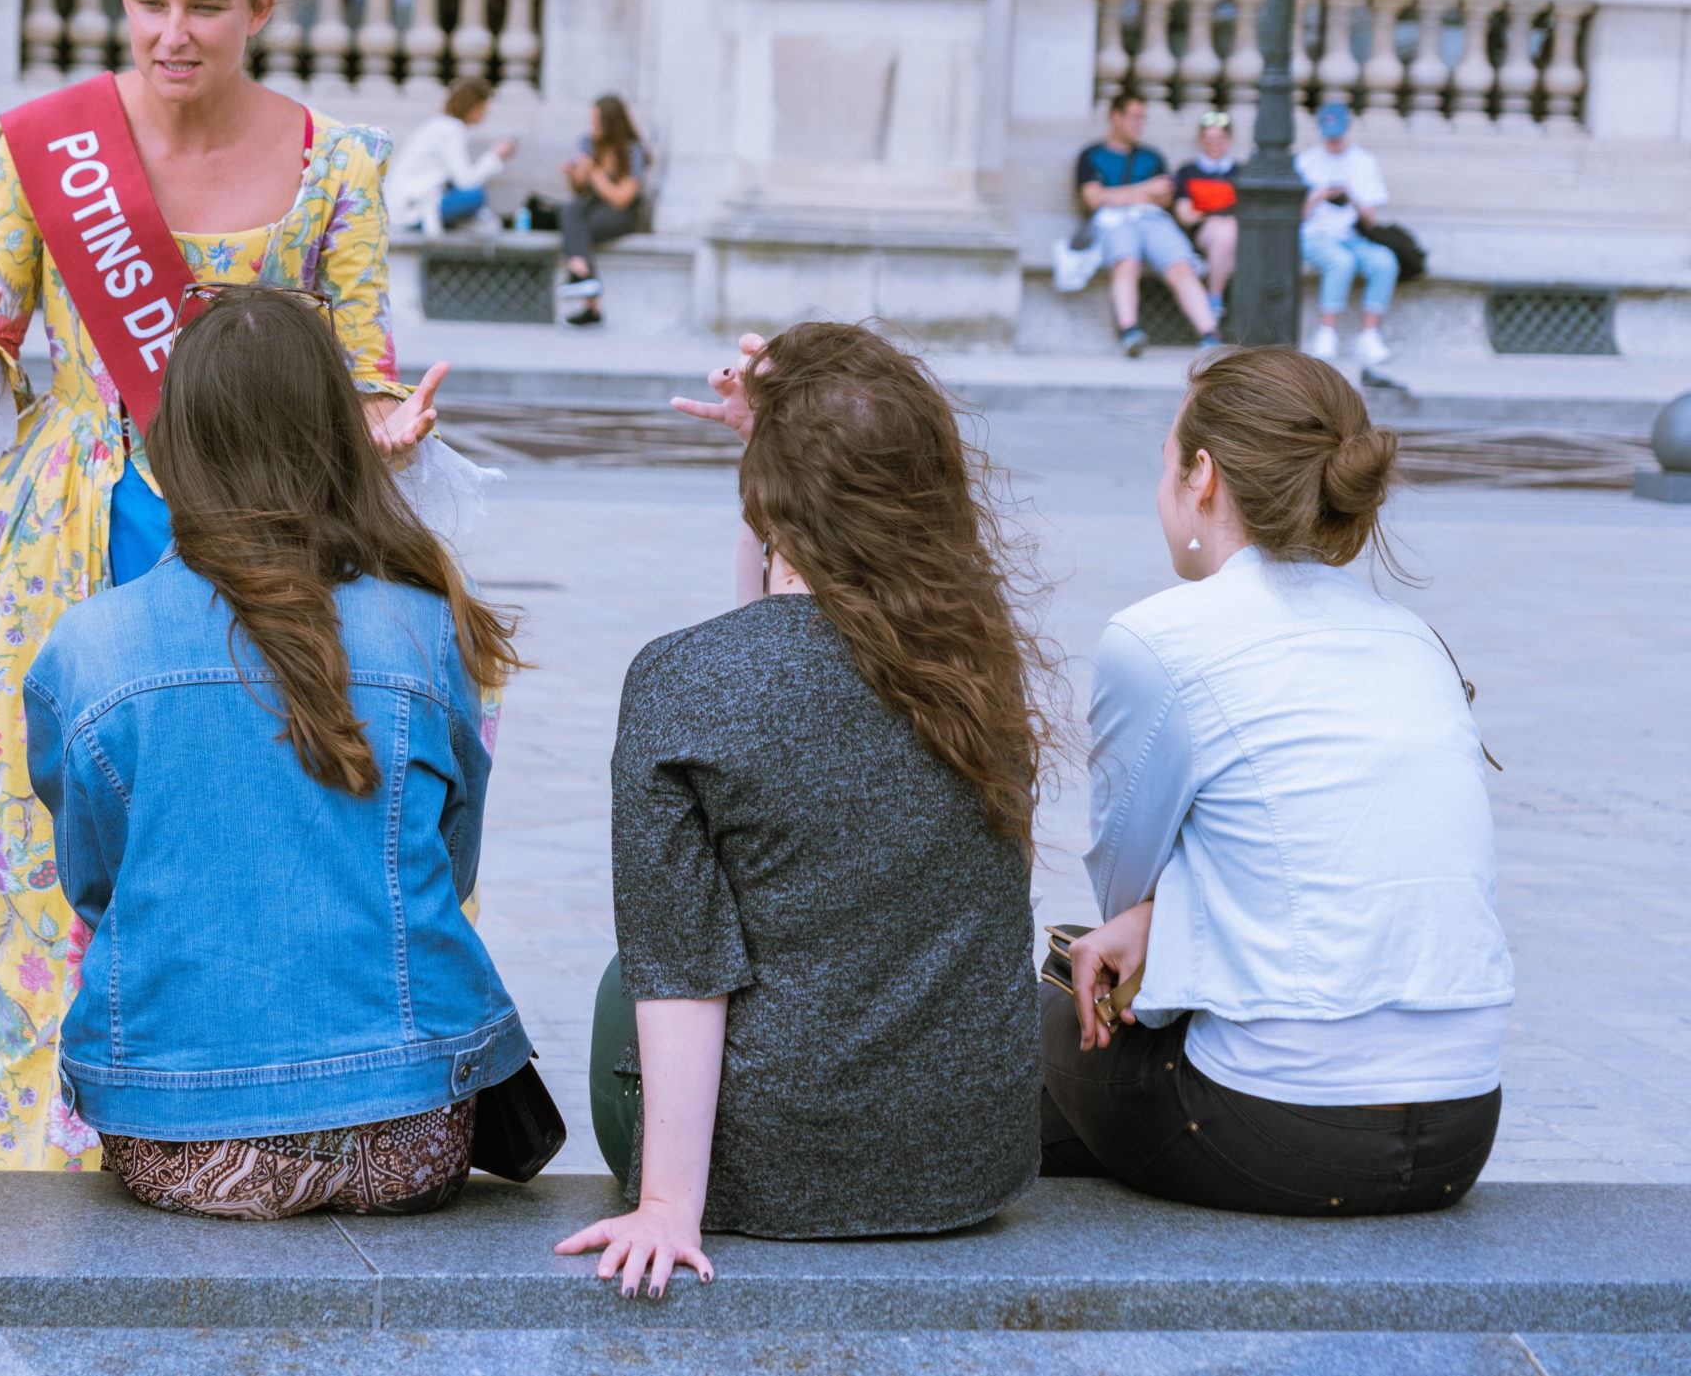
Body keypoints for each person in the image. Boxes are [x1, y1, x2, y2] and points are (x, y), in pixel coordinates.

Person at [0, 0, 472, 1170]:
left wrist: (384, 433)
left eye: (206, 5)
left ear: (263, 3)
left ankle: (261, 1090)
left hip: (278, 532)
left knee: (267, 829)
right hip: (70, 529)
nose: (172, 34)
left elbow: (371, 370)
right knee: (44, 832)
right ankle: (51, 1124)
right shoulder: (43, 149)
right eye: (150, 1)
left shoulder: (340, 168)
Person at [557, 324, 1046, 1296]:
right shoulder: (977, 660)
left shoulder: (681, 677)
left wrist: (666, 1208)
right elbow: (784, 619)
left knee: (632, 976)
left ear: (775, 506)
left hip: (765, 1168)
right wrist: (781, 458)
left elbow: (681, 971)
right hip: (970, 1164)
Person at [28, 285, 529, 1220]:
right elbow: (450, 864)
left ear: (169, 449)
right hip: (410, 1126)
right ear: (340, 447)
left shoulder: (88, 649)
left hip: (181, 1134)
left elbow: (97, 884)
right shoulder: (426, 629)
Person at [1043, 347, 1511, 1217]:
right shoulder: (1411, 635)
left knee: (1021, 1022)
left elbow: (1117, 888)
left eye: (1165, 460)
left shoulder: (1159, 639)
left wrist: (1145, 917)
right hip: (1461, 1127)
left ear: (1204, 477)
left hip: (1272, 1124)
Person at [1074, 93, 1219, 357]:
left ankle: (1209, 334)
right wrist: (1144, 190)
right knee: (1126, 262)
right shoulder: (1091, 155)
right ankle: (1130, 331)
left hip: (1153, 220)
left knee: (1181, 265)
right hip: (1113, 224)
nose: (1140, 124)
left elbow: (1163, 197)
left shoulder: (1152, 156)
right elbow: (1093, 199)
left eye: (1143, 118)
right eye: (1135, 117)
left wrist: (1116, 195)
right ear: (1115, 117)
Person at [1295, 101, 1396, 365]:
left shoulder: (1364, 162)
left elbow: (1371, 220)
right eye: (1329, 137)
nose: (1334, 142)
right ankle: (1326, 332)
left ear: (1349, 129)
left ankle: (1369, 334)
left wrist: (1352, 197)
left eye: (1338, 136)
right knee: (1340, 262)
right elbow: (1295, 218)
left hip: (1350, 235)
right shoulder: (1306, 161)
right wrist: (1317, 197)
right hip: (1313, 234)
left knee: (1384, 261)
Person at [557, 94, 648, 328]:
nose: (592, 127)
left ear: (612, 123)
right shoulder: (586, 143)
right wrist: (576, 174)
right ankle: (583, 273)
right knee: (569, 210)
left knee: (578, 229)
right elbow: (579, 191)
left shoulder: (632, 150)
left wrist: (594, 171)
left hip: (622, 214)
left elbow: (622, 199)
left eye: (597, 121)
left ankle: (588, 296)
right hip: (592, 207)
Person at [385, 78, 515, 233]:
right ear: (474, 108)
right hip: (410, 208)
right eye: (484, 107)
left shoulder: (441, 125)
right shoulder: (450, 129)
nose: (486, 113)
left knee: (481, 212)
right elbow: (466, 182)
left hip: (404, 204)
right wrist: (495, 156)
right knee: (476, 196)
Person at [1167, 109, 1241, 325]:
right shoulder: (1188, 171)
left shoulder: (1241, 171)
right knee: (1225, 230)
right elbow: (1185, 215)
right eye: (1208, 139)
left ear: (1229, 140)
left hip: (1236, 234)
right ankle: (1214, 300)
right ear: (1200, 140)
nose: (1214, 145)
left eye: (1219, 139)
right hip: (1203, 233)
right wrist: (1215, 214)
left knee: (1229, 230)